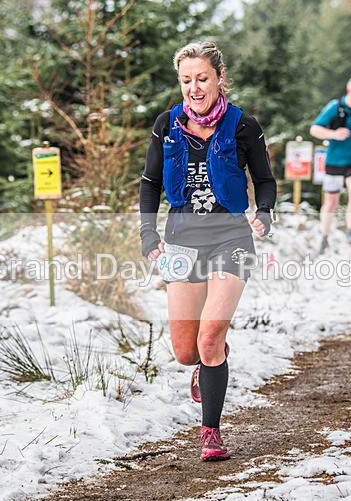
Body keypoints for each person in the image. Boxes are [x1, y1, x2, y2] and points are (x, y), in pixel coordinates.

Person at [139, 41, 277, 462]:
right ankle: (206, 360)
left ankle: (211, 433)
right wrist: (147, 234)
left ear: (219, 79)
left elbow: (265, 181)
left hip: (232, 239)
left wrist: (264, 213)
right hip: (183, 239)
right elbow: (150, 183)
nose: (194, 88)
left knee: (210, 336)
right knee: (186, 351)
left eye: (202, 78)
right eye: (186, 80)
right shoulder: (167, 124)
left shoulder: (243, 126)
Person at [309, 76, 351, 253]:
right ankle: (324, 236)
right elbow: (314, 129)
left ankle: (350, 230)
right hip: (334, 161)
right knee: (331, 201)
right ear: (349, 91)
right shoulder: (335, 107)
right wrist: (333, 134)